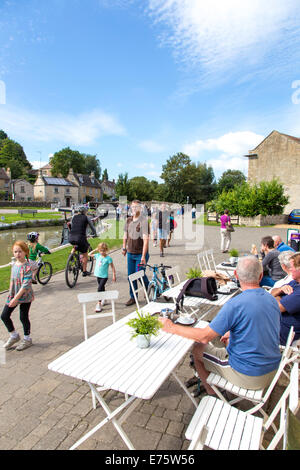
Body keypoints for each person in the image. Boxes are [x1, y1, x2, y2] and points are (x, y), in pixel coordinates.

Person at [160, 256, 281, 395]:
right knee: (221, 344)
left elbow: (204, 336)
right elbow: (259, 323)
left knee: (197, 350)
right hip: (272, 368)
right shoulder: (271, 299)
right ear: (261, 276)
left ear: (235, 275)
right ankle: (213, 381)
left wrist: (171, 327)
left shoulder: (235, 304)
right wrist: (233, 331)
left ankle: (212, 393)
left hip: (250, 375)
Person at [1, 241, 35, 351]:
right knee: (4, 315)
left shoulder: (28, 267)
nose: (17, 254)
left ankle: (27, 339)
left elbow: (25, 285)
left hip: (24, 295)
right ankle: (14, 335)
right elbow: (13, 280)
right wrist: (11, 295)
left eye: (20, 251)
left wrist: (16, 299)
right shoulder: (14, 265)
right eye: (15, 252)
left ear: (25, 252)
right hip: (13, 294)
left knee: (23, 317)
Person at [122, 200, 150, 306]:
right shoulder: (128, 220)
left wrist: (143, 256)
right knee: (130, 276)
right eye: (132, 207)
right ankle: (133, 297)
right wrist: (124, 247)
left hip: (140, 254)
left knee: (139, 275)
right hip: (130, 253)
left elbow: (146, 240)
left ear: (140, 208)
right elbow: (125, 235)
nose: (134, 209)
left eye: (136, 207)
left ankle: (149, 289)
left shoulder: (143, 221)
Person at [271, 252, 300, 345]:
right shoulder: (295, 283)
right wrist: (279, 290)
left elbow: (277, 307)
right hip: (275, 326)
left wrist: (278, 295)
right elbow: (272, 292)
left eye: (291, 267)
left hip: (282, 336)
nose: (290, 270)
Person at [68, 205, 97, 277]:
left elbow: (71, 226)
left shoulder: (74, 217)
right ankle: (84, 271)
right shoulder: (86, 217)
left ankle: (71, 257)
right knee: (85, 254)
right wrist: (95, 234)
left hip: (71, 237)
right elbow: (92, 227)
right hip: (80, 237)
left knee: (75, 246)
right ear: (85, 212)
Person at [88, 242, 116, 312]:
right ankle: (104, 298)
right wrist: (95, 250)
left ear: (106, 250)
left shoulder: (108, 258)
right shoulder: (97, 255)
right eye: (100, 250)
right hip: (98, 275)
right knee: (102, 287)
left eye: (103, 251)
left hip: (104, 276)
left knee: (99, 288)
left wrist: (114, 275)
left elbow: (112, 267)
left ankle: (99, 303)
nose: (102, 252)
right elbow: (89, 254)